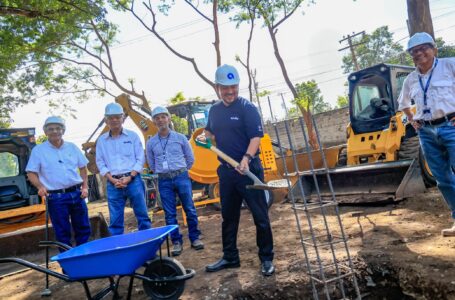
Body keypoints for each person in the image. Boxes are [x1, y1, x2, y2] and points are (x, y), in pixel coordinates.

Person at [198, 64, 275, 276]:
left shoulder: (247, 108)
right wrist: (205, 137)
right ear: (217, 88)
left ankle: (267, 258)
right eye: (225, 88)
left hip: (248, 170)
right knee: (228, 216)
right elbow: (210, 131)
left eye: (233, 87)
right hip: (226, 172)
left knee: (260, 215)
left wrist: (247, 158)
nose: (230, 92)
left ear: (238, 86)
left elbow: (256, 137)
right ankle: (230, 256)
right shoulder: (214, 110)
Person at [398, 32, 455, 237]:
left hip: (451, 126)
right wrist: (412, 120)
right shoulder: (410, 80)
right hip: (426, 133)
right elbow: (403, 104)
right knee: (443, 179)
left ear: (434, 49)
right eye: (414, 51)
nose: (419, 53)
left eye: (424, 48)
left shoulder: (450, 65)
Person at [146, 106, 204, 256]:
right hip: (164, 181)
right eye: (157, 118)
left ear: (168, 118)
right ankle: (176, 242)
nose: (160, 120)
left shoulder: (180, 138)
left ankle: (195, 238)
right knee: (169, 213)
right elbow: (152, 164)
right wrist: (163, 172)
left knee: (189, 208)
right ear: (153, 121)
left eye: (163, 117)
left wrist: (182, 170)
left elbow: (190, 158)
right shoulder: (151, 143)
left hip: (181, 177)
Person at [26, 116, 91, 248]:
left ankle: (85, 259)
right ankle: (68, 267)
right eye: (50, 129)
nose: (55, 131)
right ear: (45, 132)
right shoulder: (38, 151)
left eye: (58, 128)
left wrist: (85, 187)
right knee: (62, 233)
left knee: (83, 228)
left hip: (77, 194)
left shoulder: (72, 147)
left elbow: (83, 168)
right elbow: (31, 173)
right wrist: (40, 186)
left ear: (63, 130)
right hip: (56, 198)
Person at [96, 102, 152, 235]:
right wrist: (112, 179)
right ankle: (118, 248)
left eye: (117, 117)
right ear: (106, 120)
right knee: (115, 220)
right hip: (113, 183)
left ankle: (147, 242)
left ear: (123, 118)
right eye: (111, 118)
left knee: (142, 215)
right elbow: (100, 162)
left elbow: (140, 158)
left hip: (133, 180)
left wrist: (130, 176)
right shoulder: (102, 141)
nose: (114, 120)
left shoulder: (132, 136)